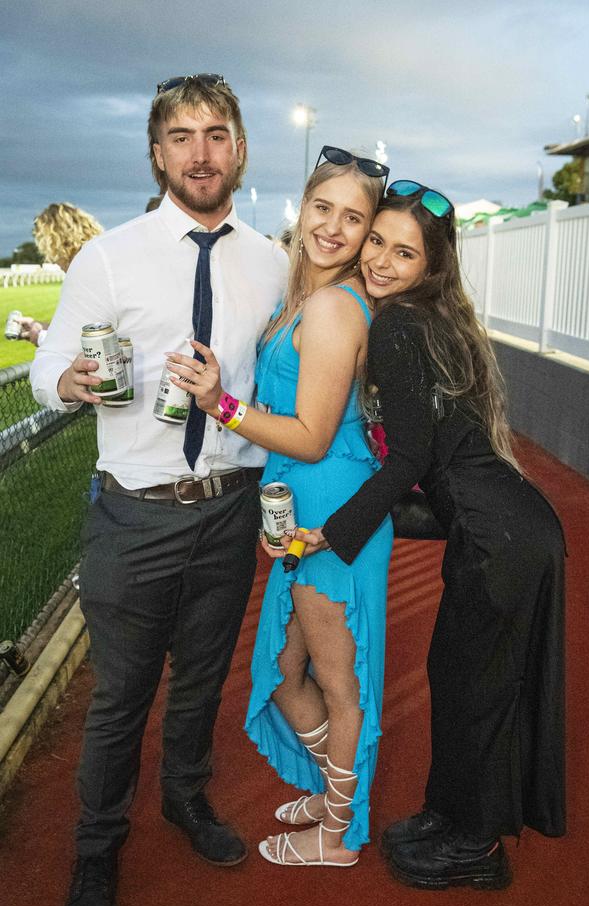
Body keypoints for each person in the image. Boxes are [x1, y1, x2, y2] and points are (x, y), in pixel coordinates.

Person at [30, 74, 288, 906]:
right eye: (181, 136)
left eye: (218, 133)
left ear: (241, 147)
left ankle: (185, 796)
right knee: (120, 698)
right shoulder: (109, 258)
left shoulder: (272, 262)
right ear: (157, 153)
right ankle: (97, 848)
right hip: (134, 516)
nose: (201, 152)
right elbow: (53, 361)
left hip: (228, 507)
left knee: (203, 679)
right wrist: (60, 378)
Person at [294, 181, 567, 889]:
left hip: (498, 539)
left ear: (431, 265)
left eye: (403, 252)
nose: (381, 260)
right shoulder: (434, 318)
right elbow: (435, 470)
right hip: (509, 528)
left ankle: (475, 849)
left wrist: (334, 529)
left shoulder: (398, 326)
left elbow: (413, 460)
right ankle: (451, 815)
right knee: (460, 679)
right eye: (376, 241)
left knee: (478, 691)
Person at [165, 146, 392, 868]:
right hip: (300, 506)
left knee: (336, 682)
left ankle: (337, 833)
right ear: (304, 206)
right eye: (323, 207)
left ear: (366, 233)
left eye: (353, 218)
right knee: (292, 672)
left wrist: (219, 405)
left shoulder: (330, 305)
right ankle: (336, 794)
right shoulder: (305, 295)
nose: (333, 226)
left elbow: (313, 434)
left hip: (331, 511)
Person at [16, 203, 104, 345]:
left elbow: (87, 341)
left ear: (55, 242)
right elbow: (79, 328)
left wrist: (40, 336)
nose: (52, 260)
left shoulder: (83, 273)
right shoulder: (97, 262)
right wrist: (38, 325)